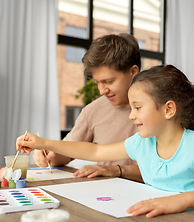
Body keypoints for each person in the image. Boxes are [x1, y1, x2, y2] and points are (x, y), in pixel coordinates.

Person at [17, 64, 194, 218]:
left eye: (138, 107)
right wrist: (43, 142)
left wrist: (182, 200)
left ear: (168, 109)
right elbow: (93, 151)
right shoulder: (143, 143)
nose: (131, 115)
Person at [34, 33, 142, 181]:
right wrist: (49, 156)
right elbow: (68, 151)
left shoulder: (158, 109)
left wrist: (116, 170)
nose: (102, 90)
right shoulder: (93, 111)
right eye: (98, 82)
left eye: (109, 81)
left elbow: (164, 169)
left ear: (133, 72)